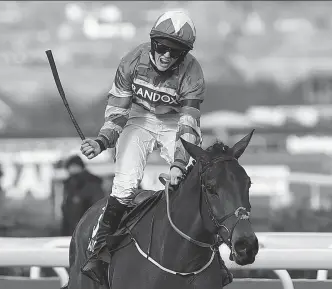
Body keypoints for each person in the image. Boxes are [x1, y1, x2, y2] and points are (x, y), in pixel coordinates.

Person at [80, 10, 231, 285]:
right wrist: (101, 141)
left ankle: (214, 258)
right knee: (125, 186)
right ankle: (98, 251)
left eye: (176, 52)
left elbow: (188, 125)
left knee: (192, 182)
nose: (166, 56)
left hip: (175, 120)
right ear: (152, 43)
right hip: (138, 117)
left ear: (184, 54)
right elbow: (117, 111)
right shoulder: (131, 62)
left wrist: (177, 164)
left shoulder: (193, 73)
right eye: (161, 48)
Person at [60, 154, 105, 236]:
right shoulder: (69, 183)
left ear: (80, 167)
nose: (71, 169)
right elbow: (67, 207)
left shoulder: (92, 183)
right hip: (71, 227)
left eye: (74, 166)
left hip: (87, 228)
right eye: (70, 167)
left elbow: (98, 206)